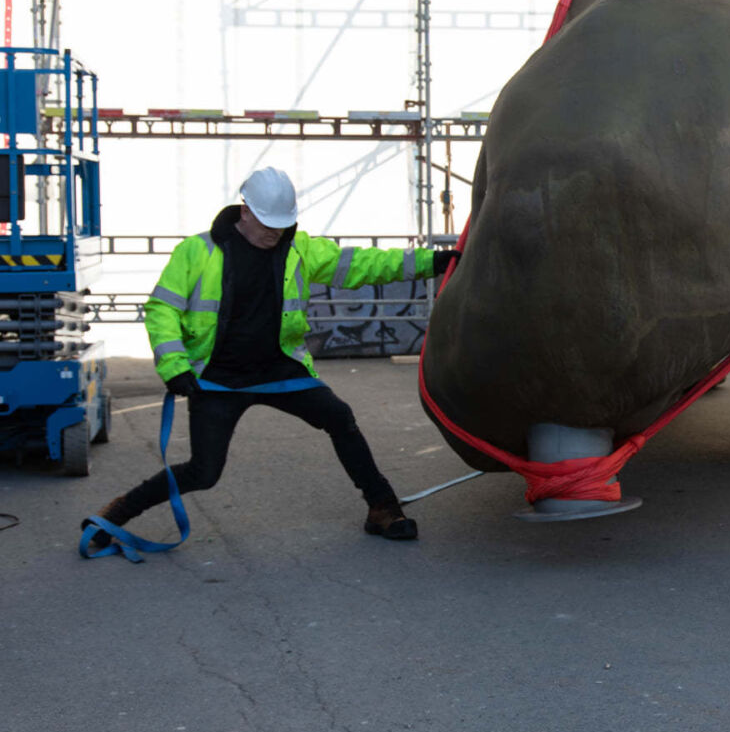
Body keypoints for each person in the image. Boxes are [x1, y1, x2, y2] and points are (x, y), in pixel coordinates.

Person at [84, 167, 461, 547]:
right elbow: (162, 309)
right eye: (267, 223)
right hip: (218, 378)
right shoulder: (197, 252)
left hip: (281, 369)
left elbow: (363, 264)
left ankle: (383, 507)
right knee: (203, 472)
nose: (274, 232)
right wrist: (174, 365)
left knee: (340, 418)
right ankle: (115, 516)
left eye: (282, 224)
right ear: (244, 211)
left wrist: (432, 262)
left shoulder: (300, 249)